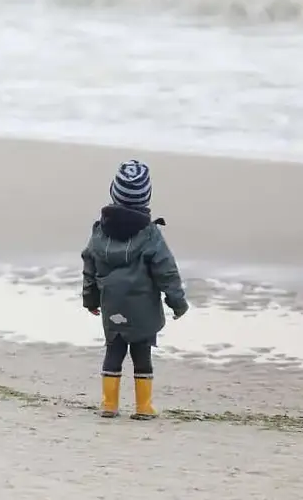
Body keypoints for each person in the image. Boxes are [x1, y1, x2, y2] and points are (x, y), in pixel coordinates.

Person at [80, 160, 189, 419]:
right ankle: (143, 407)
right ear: (146, 198)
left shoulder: (99, 232)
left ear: (114, 192)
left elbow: (89, 267)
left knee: (114, 351)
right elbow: (166, 271)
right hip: (142, 310)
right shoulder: (150, 235)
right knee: (141, 355)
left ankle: (109, 404)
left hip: (112, 306)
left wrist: (90, 299)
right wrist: (177, 302)